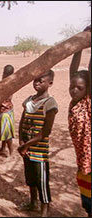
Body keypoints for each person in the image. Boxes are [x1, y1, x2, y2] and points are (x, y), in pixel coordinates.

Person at [17, 70, 58, 217]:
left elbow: (45, 132)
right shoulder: (28, 100)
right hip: (26, 148)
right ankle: (33, 202)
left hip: (39, 149)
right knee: (30, 177)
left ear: (50, 83)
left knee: (42, 179)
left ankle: (44, 209)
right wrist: (21, 141)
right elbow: (22, 122)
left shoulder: (50, 103)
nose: (37, 83)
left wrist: (26, 145)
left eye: (41, 81)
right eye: (35, 80)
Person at [68, 29, 91, 216]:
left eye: (79, 88)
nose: (74, 90)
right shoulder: (74, 103)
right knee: (86, 201)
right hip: (82, 161)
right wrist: (78, 45)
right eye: (72, 87)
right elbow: (72, 70)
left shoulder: (88, 102)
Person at [0, 65, 16, 157]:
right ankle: (2, 149)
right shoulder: (5, 83)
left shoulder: (9, 84)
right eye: (4, 73)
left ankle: (11, 152)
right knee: (4, 130)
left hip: (6, 110)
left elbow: (7, 97)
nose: (4, 75)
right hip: (4, 110)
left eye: (6, 73)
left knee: (7, 133)